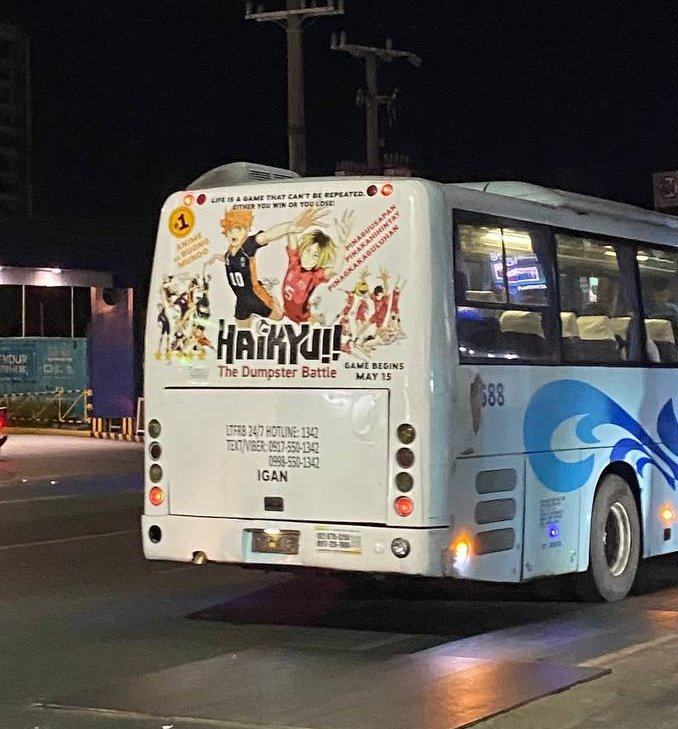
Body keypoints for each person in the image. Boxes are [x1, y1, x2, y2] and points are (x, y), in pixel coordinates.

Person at [208, 206, 325, 328]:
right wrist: (216, 256)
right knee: (241, 330)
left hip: (256, 296)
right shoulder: (229, 252)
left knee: (279, 316)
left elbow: (267, 236)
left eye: (238, 229)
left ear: (247, 230)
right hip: (241, 300)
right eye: (230, 230)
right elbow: (230, 260)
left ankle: (269, 291)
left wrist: (292, 227)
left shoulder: (247, 247)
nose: (233, 233)